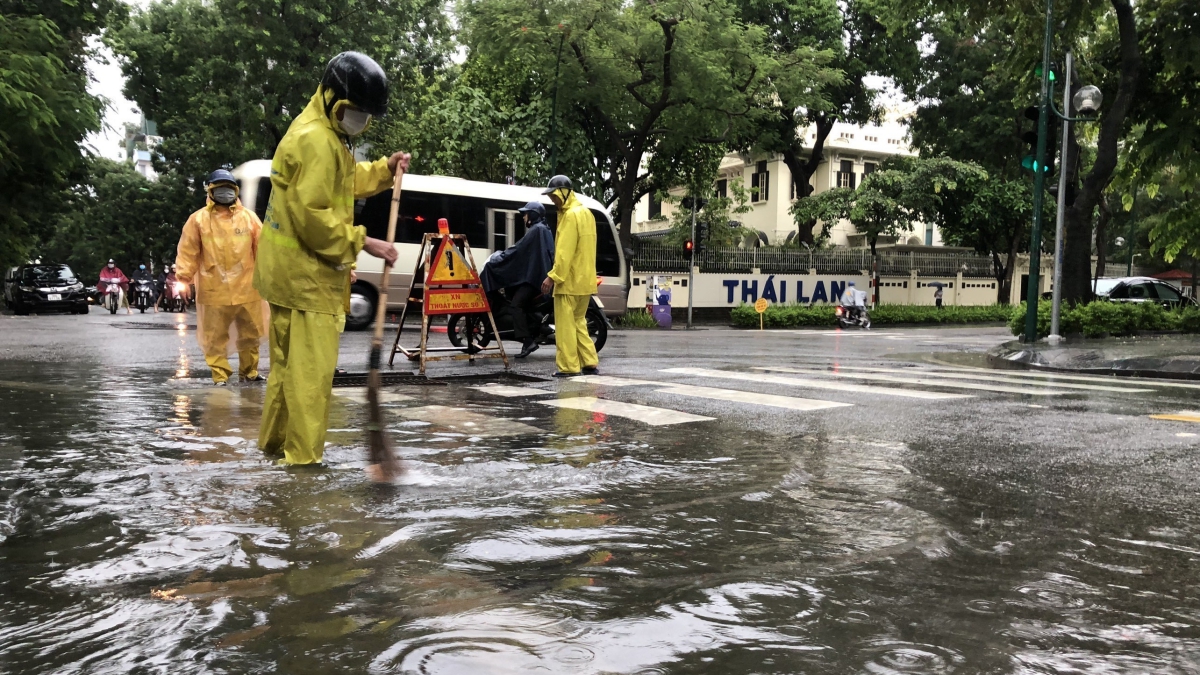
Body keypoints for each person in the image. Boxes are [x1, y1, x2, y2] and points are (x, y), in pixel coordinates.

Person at [253, 51, 409, 466]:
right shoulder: (317, 140)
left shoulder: (321, 132)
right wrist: (365, 242)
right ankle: (303, 465)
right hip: (307, 280)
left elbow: (342, 182)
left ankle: (274, 448)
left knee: (287, 374)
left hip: (289, 277)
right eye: (355, 110)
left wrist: (384, 169)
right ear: (331, 97)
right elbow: (314, 217)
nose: (360, 119)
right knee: (309, 380)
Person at [175, 169, 267, 386]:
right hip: (213, 289)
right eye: (219, 188)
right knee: (215, 336)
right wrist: (183, 277)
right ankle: (220, 375)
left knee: (251, 333)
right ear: (210, 190)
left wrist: (269, 276)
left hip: (247, 288)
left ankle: (250, 372)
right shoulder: (198, 220)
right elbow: (188, 251)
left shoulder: (249, 219)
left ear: (235, 190)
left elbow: (263, 249)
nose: (224, 193)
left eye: (228, 188)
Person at [539, 175, 599, 377]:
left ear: (564, 193)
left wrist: (553, 276)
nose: (552, 200)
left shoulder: (570, 216)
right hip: (585, 281)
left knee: (565, 327)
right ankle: (589, 361)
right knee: (579, 322)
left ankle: (568, 367)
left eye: (554, 196)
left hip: (569, 281)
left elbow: (565, 252)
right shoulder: (587, 214)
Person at [480, 201, 555, 358]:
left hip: (535, 280)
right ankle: (541, 327)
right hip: (539, 276)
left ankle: (528, 341)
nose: (523, 217)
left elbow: (518, 250)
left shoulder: (537, 230)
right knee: (513, 292)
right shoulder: (543, 229)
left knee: (516, 305)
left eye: (525, 214)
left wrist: (498, 259)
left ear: (532, 215)